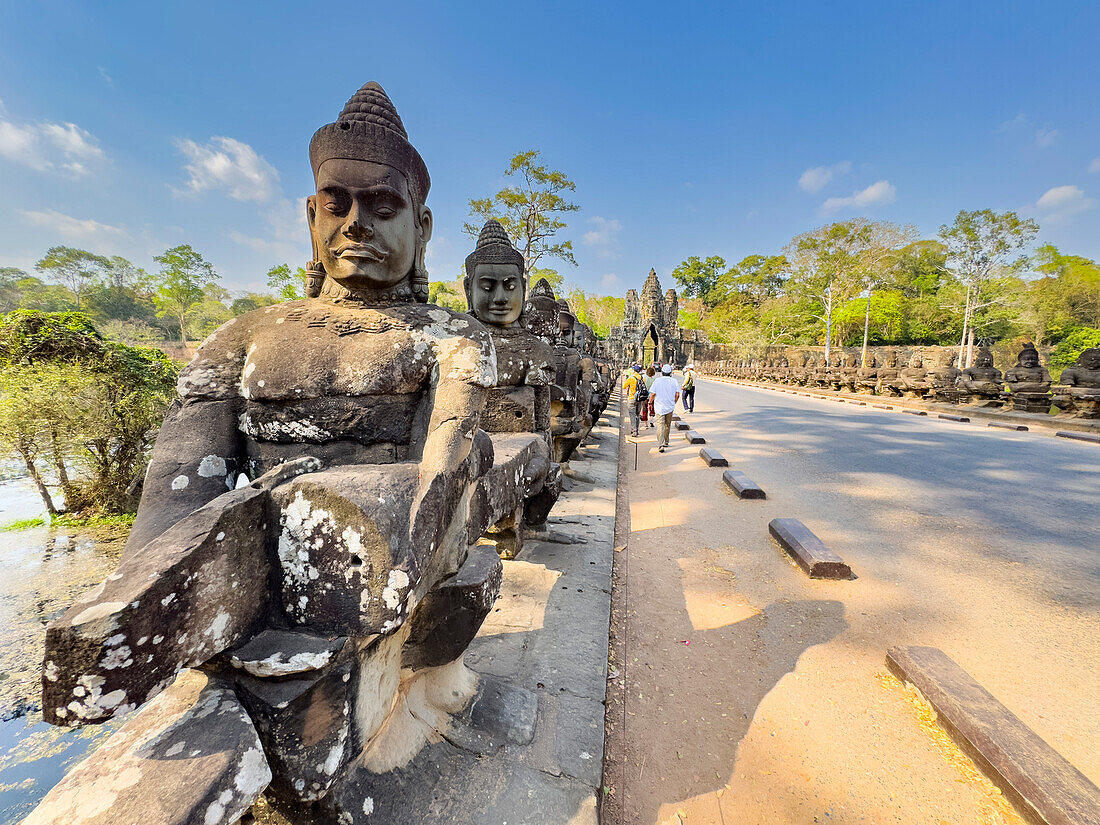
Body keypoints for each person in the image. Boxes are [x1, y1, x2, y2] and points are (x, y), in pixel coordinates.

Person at [649, 363, 681, 452]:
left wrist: (650, 402)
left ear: (662, 372)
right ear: (670, 373)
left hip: (659, 407)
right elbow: (677, 394)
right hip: (670, 407)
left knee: (660, 425)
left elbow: (653, 394)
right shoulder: (674, 381)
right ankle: (666, 442)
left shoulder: (657, 381)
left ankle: (660, 445)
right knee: (667, 425)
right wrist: (673, 402)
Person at [623, 365, 641, 436]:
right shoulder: (642, 378)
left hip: (632, 398)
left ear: (633, 371)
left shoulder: (631, 378)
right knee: (637, 414)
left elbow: (624, 386)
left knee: (632, 414)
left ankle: (634, 430)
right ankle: (637, 428)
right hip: (640, 398)